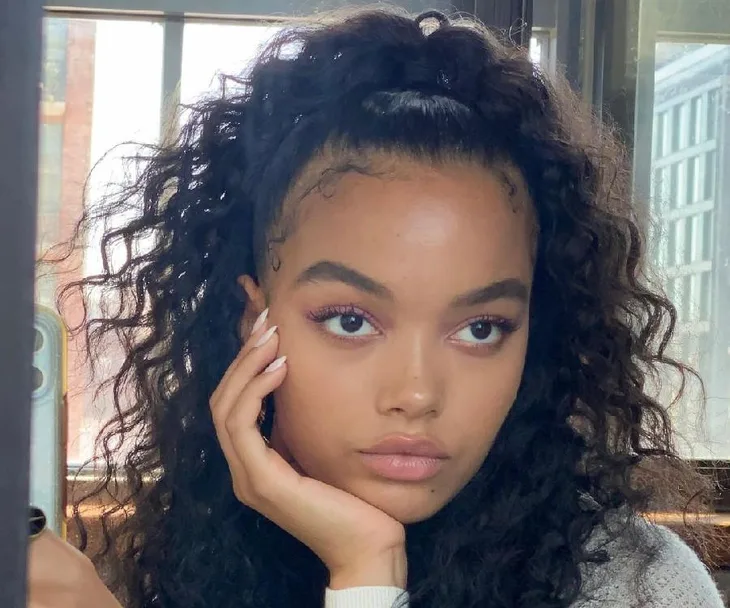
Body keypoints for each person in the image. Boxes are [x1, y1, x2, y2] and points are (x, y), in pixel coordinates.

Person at [27, 7, 726, 608]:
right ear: (253, 321)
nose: (416, 394)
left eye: (481, 328)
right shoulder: (194, 555)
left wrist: (366, 569)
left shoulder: (633, 585)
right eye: (351, 320)